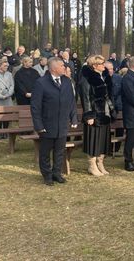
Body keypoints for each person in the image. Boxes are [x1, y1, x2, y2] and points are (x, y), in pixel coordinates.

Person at [31, 57, 78, 185]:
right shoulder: (41, 83)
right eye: (62, 65)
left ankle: (57, 173)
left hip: (62, 123)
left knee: (59, 151)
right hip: (47, 124)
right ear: (54, 68)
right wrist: (39, 126)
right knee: (45, 152)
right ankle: (47, 175)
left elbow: (71, 102)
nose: (65, 68)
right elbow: (35, 107)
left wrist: (73, 118)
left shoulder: (67, 82)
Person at [79, 55, 114, 176]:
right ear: (94, 65)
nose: (104, 65)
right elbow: (86, 98)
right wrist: (89, 115)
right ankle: (92, 165)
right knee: (93, 140)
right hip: (94, 113)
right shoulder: (87, 78)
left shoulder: (104, 76)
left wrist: (111, 109)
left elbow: (108, 95)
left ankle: (100, 163)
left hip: (105, 113)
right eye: (102, 63)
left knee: (103, 140)